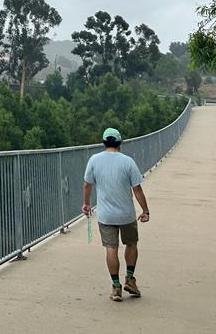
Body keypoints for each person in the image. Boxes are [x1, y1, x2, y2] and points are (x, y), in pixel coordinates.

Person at [82, 127, 150, 302]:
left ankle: (116, 287)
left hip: (106, 215)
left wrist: (86, 204)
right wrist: (145, 210)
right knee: (131, 244)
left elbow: (87, 185)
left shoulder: (94, 160)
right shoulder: (128, 162)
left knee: (111, 248)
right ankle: (130, 279)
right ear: (120, 142)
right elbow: (137, 189)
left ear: (104, 142)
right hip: (126, 214)